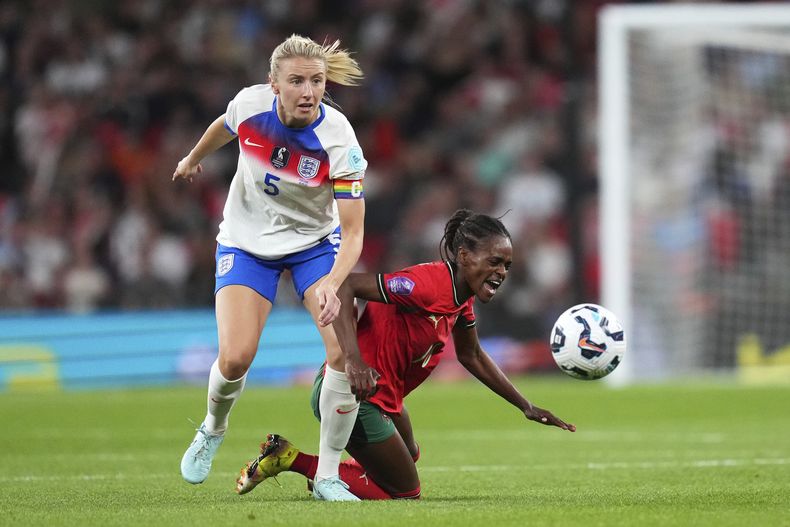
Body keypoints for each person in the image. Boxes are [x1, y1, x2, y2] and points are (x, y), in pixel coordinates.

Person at [234, 209, 576, 500]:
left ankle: (337, 474)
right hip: (353, 394)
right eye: (495, 261)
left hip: (384, 397)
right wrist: (353, 361)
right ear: (464, 257)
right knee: (406, 490)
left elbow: (472, 355)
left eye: (507, 265)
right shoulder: (424, 286)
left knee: (410, 455)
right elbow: (345, 285)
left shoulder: (461, 298)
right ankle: (291, 459)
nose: (502, 272)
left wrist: (526, 406)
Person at [173, 34, 370, 501]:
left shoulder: (339, 139)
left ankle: (326, 476)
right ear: (273, 84)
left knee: (343, 351)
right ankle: (213, 428)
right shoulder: (250, 105)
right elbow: (224, 125)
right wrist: (192, 159)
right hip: (246, 242)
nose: (309, 91)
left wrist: (334, 284)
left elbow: (355, 232)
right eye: (297, 81)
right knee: (237, 356)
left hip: (314, 246)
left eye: (317, 81)